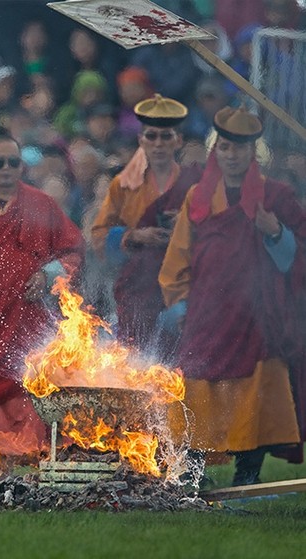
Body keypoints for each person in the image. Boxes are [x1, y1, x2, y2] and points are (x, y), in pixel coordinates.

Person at [159, 106, 306, 485]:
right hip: (207, 312)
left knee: (254, 392)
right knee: (197, 388)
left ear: (254, 152)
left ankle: (248, 473)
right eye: (224, 147)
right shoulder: (199, 196)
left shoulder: (276, 196)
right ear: (215, 151)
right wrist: (178, 304)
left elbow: (299, 256)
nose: (231, 155)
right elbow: (179, 254)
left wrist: (276, 232)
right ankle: (192, 473)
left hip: (257, 313)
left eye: (240, 148)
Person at [0, 135, 84, 457]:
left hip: (29, 321)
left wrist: (48, 274)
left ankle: (32, 460)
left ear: (22, 166)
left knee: (29, 387)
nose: (6, 169)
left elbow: (73, 251)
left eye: (13, 162)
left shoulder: (43, 205)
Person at [90, 95, 201, 345]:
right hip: (139, 285)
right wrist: (135, 236)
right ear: (141, 140)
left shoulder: (196, 184)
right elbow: (98, 237)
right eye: (151, 136)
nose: (158, 143)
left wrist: (187, 226)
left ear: (179, 141)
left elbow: (220, 232)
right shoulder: (124, 185)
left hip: (187, 286)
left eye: (166, 136)